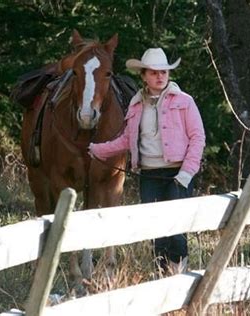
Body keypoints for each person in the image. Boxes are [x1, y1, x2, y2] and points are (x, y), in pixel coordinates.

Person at [88, 48, 205, 275]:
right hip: (149, 175)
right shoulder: (136, 104)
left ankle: (178, 279)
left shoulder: (184, 101)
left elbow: (198, 137)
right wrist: (99, 150)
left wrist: (187, 172)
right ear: (144, 76)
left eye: (163, 72)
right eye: (153, 73)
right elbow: (127, 140)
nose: (160, 76)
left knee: (177, 230)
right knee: (156, 230)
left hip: (177, 173)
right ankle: (161, 278)